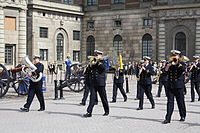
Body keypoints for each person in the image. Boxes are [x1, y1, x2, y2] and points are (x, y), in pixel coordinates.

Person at [163, 50, 186, 124]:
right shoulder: (169, 63)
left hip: (179, 86)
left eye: (175, 55)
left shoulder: (182, 63)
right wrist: (167, 67)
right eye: (173, 55)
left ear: (178, 56)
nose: (174, 57)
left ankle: (182, 115)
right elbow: (165, 72)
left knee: (180, 102)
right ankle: (168, 118)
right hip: (170, 85)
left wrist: (177, 63)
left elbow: (183, 70)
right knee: (170, 102)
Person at [83, 50, 109, 117]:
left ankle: (106, 111)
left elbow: (103, 68)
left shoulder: (103, 62)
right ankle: (89, 112)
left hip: (100, 83)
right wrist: (90, 65)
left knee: (103, 98)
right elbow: (87, 72)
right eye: (95, 55)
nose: (96, 56)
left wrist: (98, 62)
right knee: (92, 98)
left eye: (97, 55)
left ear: (100, 55)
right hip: (93, 83)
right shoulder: (93, 63)